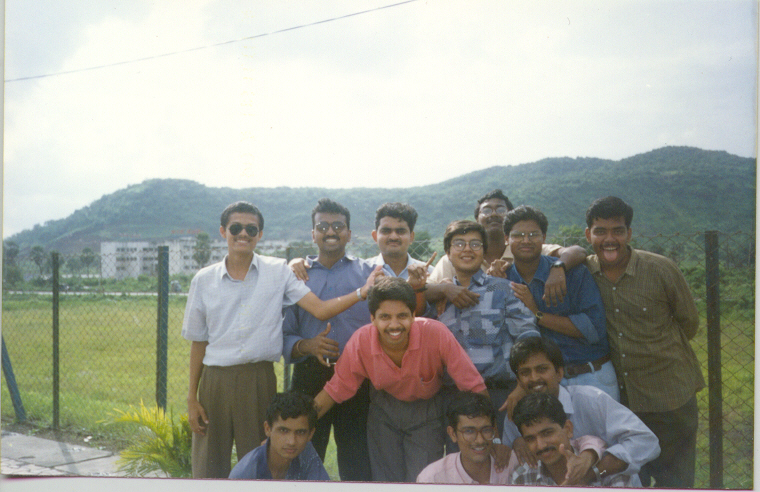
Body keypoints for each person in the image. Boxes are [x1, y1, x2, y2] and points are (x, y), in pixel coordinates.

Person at [182, 201, 382, 478]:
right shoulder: (205, 279)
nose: (243, 234)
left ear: (260, 234)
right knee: (209, 466)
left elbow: (321, 309)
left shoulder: (279, 271)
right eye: (236, 228)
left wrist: (363, 291)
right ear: (222, 231)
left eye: (251, 229)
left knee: (265, 465)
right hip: (220, 379)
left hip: (266, 378)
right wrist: (191, 397)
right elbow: (198, 341)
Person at [313, 276, 488, 482]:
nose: (394, 325)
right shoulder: (361, 340)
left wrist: (492, 436)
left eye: (402, 316)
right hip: (384, 411)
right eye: (385, 317)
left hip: (426, 411)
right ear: (372, 318)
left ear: (413, 315)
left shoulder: (436, 333)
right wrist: (302, 421)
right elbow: (335, 389)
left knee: (422, 478)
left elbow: (472, 384)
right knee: (386, 481)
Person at [584, 196, 704, 488]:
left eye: (617, 231)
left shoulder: (660, 269)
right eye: (600, 231)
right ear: (588, 235)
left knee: (675, 481)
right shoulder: (584, 272)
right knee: (629, 479)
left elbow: (689, 322)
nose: (609, 239)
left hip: (670, 397)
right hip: (622, 402)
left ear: (629, 233)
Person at [281, 198, 375, 481]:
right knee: (303, 456)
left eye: (338, 226)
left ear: (349, 233)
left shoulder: (369, 274)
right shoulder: (297, 276)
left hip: (358, 377)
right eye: (322, 226)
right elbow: (284, 334)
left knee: (357, 460)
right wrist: (307, 345)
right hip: (310, 376)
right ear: (313, 234)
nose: (330, 231)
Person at [502, 337, 659, 486]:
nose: (534, 378)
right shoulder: (515, 416)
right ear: (518, 381)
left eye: (542, 369)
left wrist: (593, 471)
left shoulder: (591, 400)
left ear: (559, 373)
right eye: (525, 372)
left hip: (611, 482)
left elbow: (646, 442)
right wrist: (515, 442)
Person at [502, 205, 617, 400]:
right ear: (507, 239)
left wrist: (537, 314)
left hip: (591, 375)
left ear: (544, 237)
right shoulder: (503, 280)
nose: (526, 240)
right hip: (539, 383)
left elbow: (593, 329)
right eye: (518, 235)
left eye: (533, 234)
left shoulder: (572, 273)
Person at [436, 220, 538, 433]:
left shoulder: (503, 289)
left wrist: (522, 386)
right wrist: (439, 290)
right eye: (459, 243)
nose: (467, 249)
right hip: (453, 398)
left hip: (500, 396)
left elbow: (529, 338)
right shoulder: (439, 298)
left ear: (483, 252)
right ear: (448, 252)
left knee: (508, 452)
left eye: (475, 244)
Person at [426, 189, 586, 310]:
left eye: (501, 210)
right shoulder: (458, 257)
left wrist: (558, 267)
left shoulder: (526, 248)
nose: (493, 214)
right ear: (476, 219)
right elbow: (424, 290)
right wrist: (445, 289)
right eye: (486, 210)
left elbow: (578, 251)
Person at [510, 392, 631, 487]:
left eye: (547, 433)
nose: (541, 445)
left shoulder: (607, 472)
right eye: (530, 439)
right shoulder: (521, 478)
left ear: (568, 429)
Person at [229, 392, 329, 481]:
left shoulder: (306, 451)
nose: (292, 442)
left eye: (300, 432)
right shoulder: (245, 473)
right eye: (283, 431)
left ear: (310, 434)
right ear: (268, 429)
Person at [416, 392, 512, 484]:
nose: (480, 440)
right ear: (452, 434)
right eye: (469, 431)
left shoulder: (512, 465)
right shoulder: (433, 479)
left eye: (486, 430)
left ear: (494, 429)